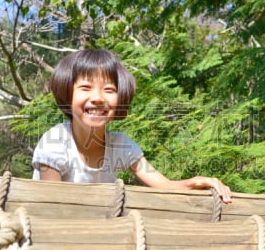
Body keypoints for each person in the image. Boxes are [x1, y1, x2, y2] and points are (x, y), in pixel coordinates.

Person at [32, 48, 232, 203]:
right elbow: (52, 203)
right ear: (67, 93)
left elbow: (165, 186)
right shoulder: (55, 143)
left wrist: (197, 182)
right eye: (86, 88)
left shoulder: (121, 144)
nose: (98, 98)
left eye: (109, 90)